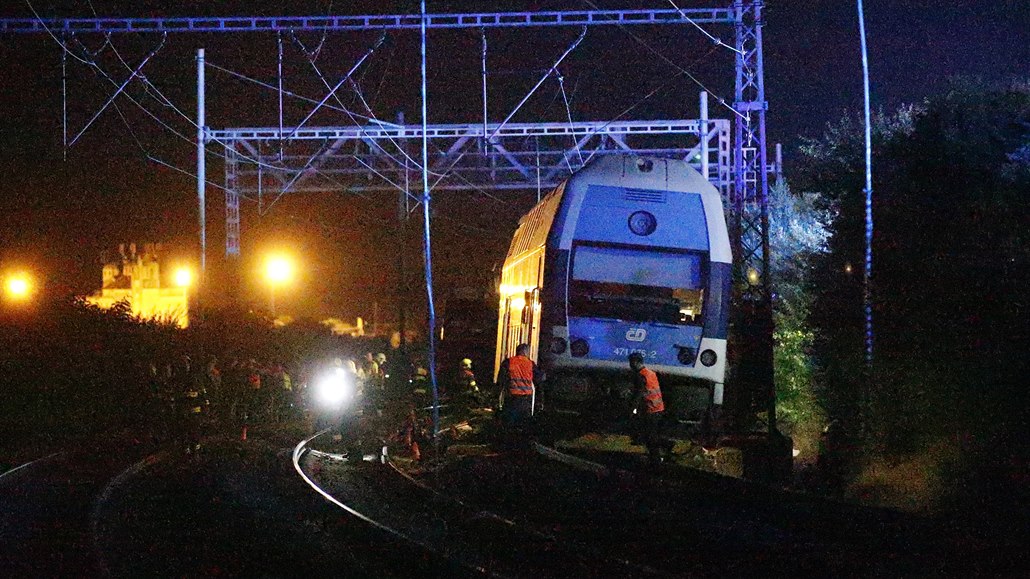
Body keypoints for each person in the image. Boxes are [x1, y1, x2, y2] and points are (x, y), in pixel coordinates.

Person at [628, 352, 673, 468]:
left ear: (635, 362)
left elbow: (639, 393)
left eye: (631, 362)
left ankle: (655, 462)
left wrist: (633, 409)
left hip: (650, 409)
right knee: (653, 434)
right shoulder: (651, 373)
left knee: (650, 437)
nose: (630, 365)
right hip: (658, 408)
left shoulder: (640, 376)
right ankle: (664, 448)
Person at [497, 343, 542, 428]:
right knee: (524, 425)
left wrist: (496, 399)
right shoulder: (531, 364)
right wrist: (540, 402)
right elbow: (539, 384)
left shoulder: (508, 362)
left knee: (509, 424)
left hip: (511, 398)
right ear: (526, 352)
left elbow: (501, 382)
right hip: (526, 400)